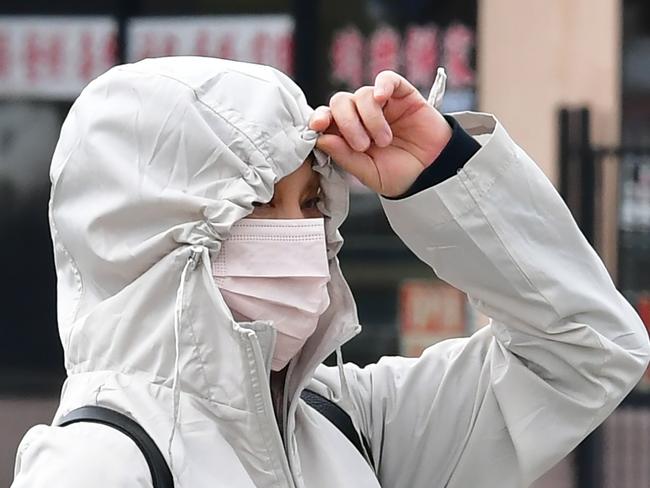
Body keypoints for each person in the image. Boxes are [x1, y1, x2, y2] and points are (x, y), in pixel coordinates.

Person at [10, 56, 650, 488]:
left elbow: (585, 353)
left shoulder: (348, 425)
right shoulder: (98, 466)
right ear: (146, 240)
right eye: (254, 205)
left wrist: (443, 172)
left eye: (313, 204)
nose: (301, 235)